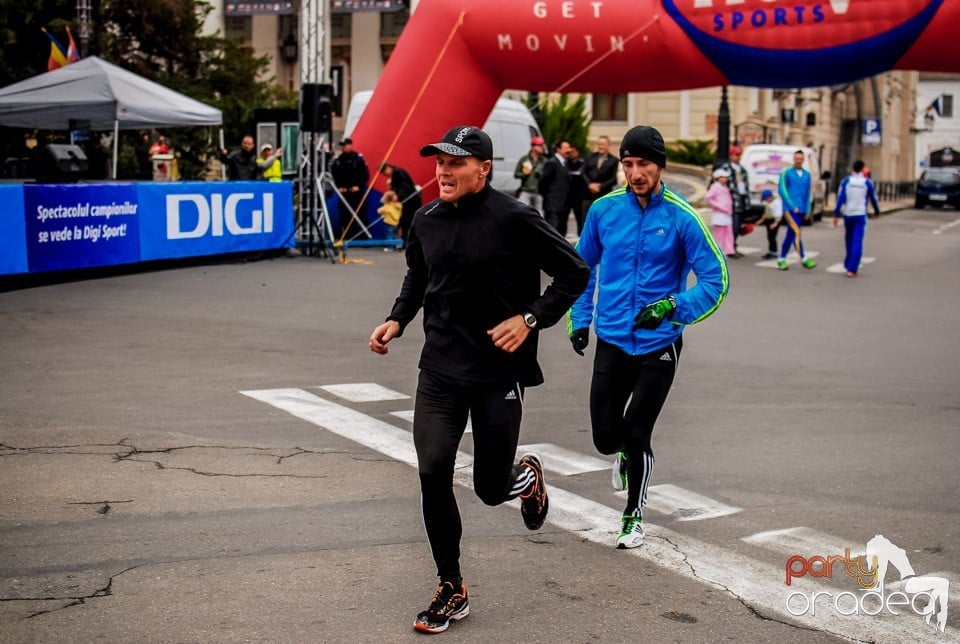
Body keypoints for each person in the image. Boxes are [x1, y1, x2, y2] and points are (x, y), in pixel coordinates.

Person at [368, 125, 589, 634]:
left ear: (483, 169)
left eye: (456, 163)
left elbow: (574, 271)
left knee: (491, 489)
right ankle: (451, 586)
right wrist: (397, 319)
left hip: (497, 373)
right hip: (440, 370)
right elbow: (419, 277)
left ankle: (526, 475)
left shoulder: (515, 218)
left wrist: (531, 318)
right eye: (439, 162)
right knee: (433, 470)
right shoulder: (425, 218)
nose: (443, 171)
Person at [567, 125, 728, 550]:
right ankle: (620, 453)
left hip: (659, 345)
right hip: (613, 340)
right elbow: (582, 271)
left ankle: (633, 515)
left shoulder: (681, 217)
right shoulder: (603, 211)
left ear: (660, 166)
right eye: (628, 164)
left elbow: (715, 280)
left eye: (643, 164)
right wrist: (579, 320)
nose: (635, 173)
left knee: (637, 434)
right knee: (605, 437)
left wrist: (673, 307)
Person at [833, 160, 880, 277]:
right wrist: (877, 211)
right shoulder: (867, 183)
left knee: (849, 239)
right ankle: (852, 268)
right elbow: (873, 198)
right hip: (860, 214)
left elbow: (840, 198)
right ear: (863, 169)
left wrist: (836, 214)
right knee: (857, 240)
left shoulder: (846, 181)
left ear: (852, 169)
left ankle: (848, 263)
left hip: (848, 214)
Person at [777, 149, 817, 271]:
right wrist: (791, 205)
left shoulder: (807, 175)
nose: (798, 161)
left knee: (792, 233)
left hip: (801, 209)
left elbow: (808, 193)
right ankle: (803, 258)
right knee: (795, 232)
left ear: (803, 160)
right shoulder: (787, 173)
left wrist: (808, 210)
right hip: (790, 210)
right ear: (793, 159)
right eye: (796, 159)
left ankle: (782, 258)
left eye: (800, 159)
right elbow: (782, 189)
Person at [331, 137, 371, 238]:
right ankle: (348, 235)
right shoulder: (339, 160)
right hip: (344, 192)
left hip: (356, 192)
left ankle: (364, 237)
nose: (343, 148)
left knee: (360, 214)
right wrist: (339, 187)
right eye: (342, 146)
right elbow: (335, 175)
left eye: (345, 145)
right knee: (345, 215)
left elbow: (365, 175)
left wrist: (358, 185)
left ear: (350, 145)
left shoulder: (358, 159)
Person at [379, 161, 421, 248]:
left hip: (410, 201)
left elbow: (404, 185)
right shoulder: (396, 173)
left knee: (407, 222)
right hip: (407, 200)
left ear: (388, 168)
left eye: (384, 173)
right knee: (404, 222)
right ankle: (404, 242)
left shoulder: (398, 172)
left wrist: (398, 196)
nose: (386, 175)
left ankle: (407, 243)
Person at [718, 145, 750, 257]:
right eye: (735, 155)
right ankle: (730, 249)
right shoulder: (726, 169)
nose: (737, 157)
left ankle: (733, 247)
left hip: (741, 199)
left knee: (739, 225)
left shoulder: (742, 169)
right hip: (731, 200)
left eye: (739, 155)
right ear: (731, 155)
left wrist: (747, 201)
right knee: (733, 226)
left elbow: (746, 186)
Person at [538, 139, 572, 237]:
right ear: (558, 149)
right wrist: (548, 196)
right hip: (553, 204)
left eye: (569, 148)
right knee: (552, 231)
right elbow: (542, 181)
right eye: (566, 148)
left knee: (562, 232)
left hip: (564, 204)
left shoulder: (566, 163)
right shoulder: (552, 163)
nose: (568, 150)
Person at [705, 167, 735, 256]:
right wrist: (719, 206)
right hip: (719, 214)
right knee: (720, 234)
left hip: (727, 213)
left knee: (729, 233)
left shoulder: (725, 187)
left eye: (726, 177)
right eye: (722, 177)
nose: (725, 179)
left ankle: (729, 250)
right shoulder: (715, 187)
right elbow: (708, 198)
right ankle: (718, 251)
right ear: (718, 177)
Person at [584, 135, 620, 205]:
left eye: (603, 144)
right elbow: (583, 172)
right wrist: (590, 184)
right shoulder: (589, 157)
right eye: (599, 144)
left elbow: (614, 179)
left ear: (608, 146)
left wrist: (600, 186)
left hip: (604, 196)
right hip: (588, 195)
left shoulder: (614, 160)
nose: (600, 147)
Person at [513, 136, 546, 212]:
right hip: (526, 190)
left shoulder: (544, 161)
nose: (542, 147)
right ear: (533, 147)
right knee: (521, 211)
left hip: (539, 192)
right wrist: (525, 174)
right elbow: (516, 174)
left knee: (539, 214)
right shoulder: (524, 159)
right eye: (540, 145)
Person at [567, 145, 589, 236]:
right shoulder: (566, 163)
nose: (572, 154)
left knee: (580, 217)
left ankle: (581, 235)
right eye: (570, 152)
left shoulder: (582, 163)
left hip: (579, 196)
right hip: (567, 195)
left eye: (573, 152)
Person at [758, 189, 782, 260]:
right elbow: (767, 212)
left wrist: (775, 224)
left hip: (774, 221)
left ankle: (774, 253)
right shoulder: (768, 202)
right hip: (768, 220)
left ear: (770, 197)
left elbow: (779, 214)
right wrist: (762, 219)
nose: (766, 200)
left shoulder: (777, 202)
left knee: (772, 237)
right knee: (769, 237)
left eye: (766, 199)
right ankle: (771, 251)